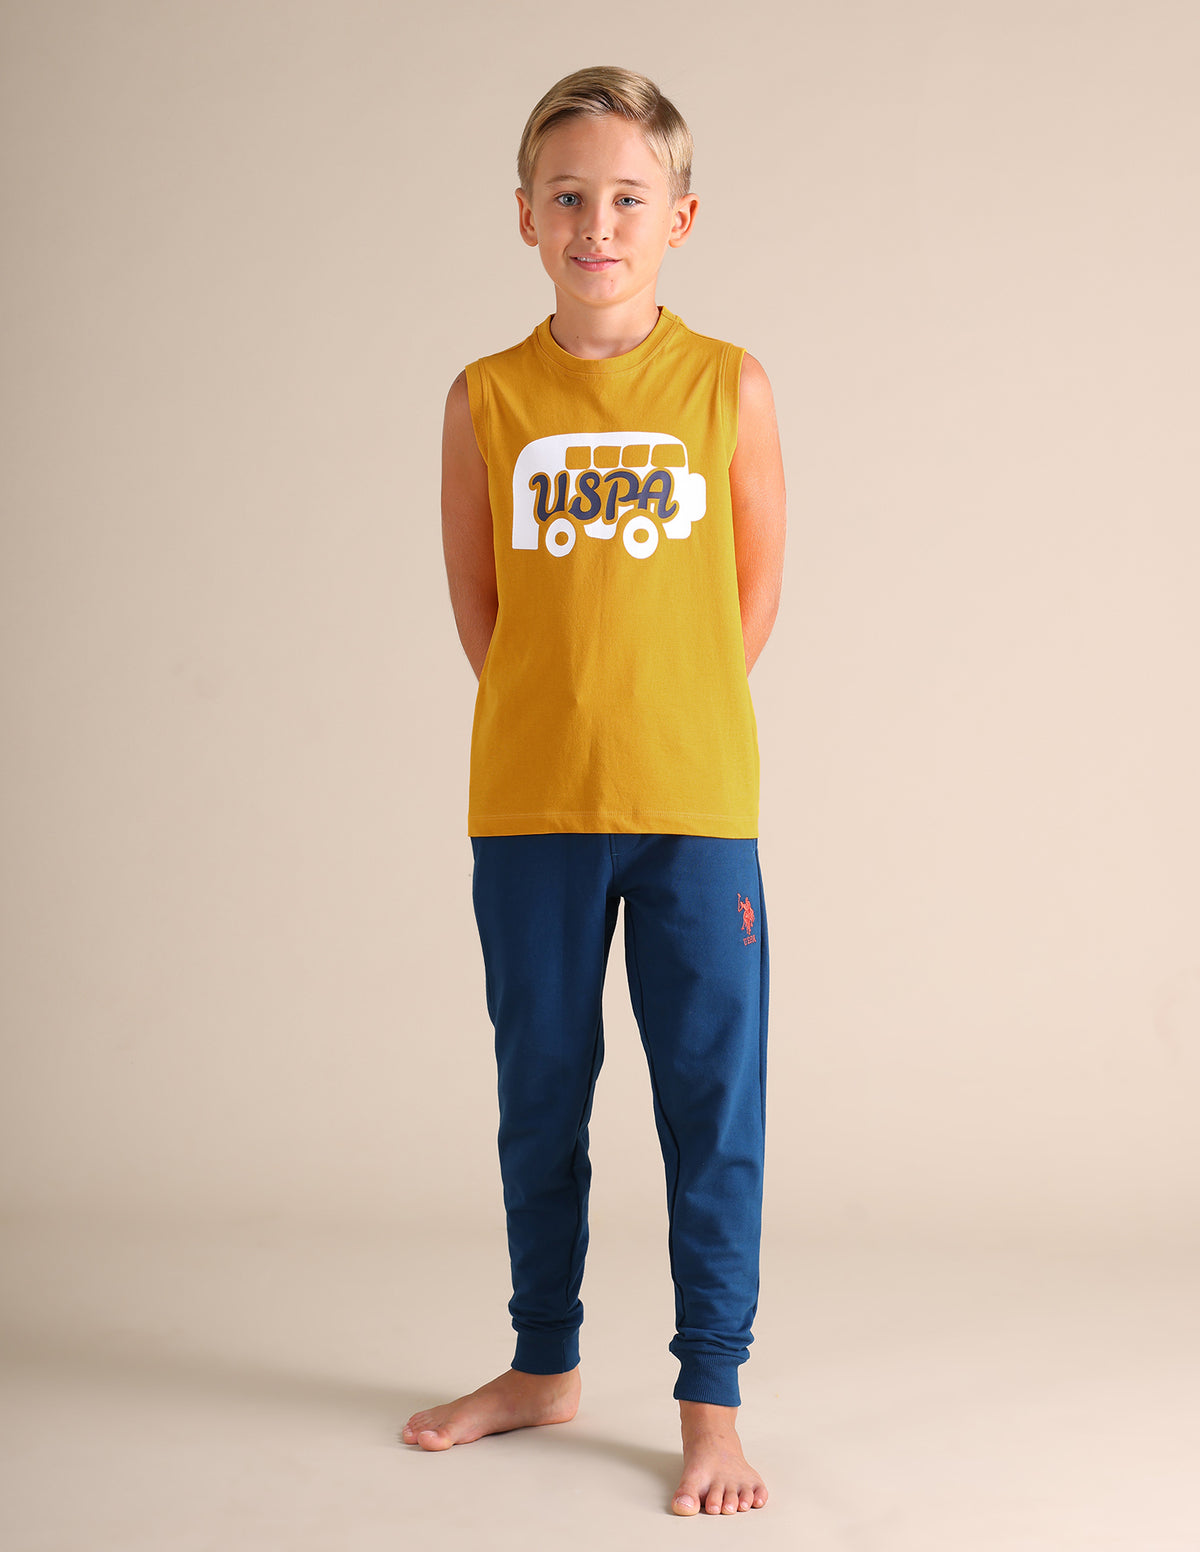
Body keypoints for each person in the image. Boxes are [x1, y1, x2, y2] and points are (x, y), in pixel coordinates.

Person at [402, 65, 787, 1517]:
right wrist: (565, 720)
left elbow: (750, 596)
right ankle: (542, 1364)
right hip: (532, 810)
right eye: (568, 197)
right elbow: (480, 607)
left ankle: (711, 1405)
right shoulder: (486, 399)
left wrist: (664, 713)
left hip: (696, 809)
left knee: (710, 1103)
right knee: (540, 1092)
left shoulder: (728, 386)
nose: (597, 224)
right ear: (525, 217)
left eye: (628, 198)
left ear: (679, 219)